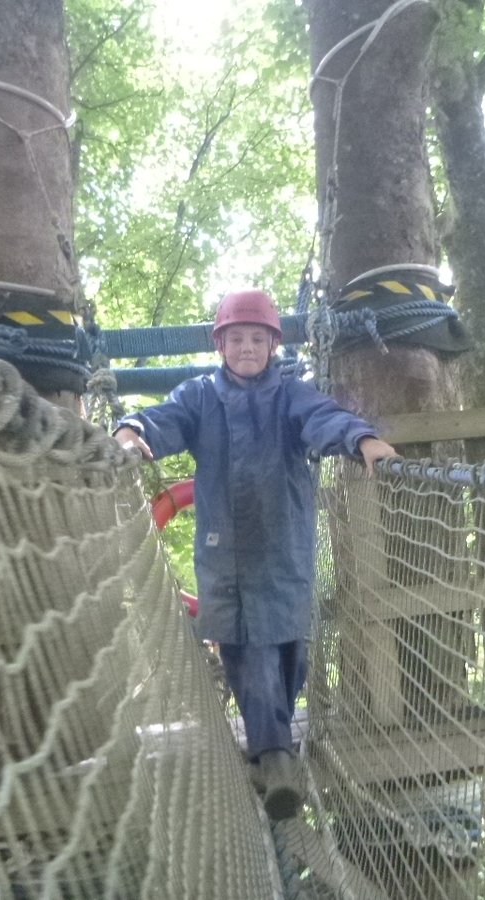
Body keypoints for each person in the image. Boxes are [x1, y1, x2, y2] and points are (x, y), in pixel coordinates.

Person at [113, 288, 396, 821]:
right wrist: (132, 430)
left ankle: (273, 744)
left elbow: (325, 418)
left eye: (257, 339)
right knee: (248, 652)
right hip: (225, 551)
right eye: (237, 338)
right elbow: (164, 419)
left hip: (282, 547)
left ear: (272, 346)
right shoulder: (200, 396)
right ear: (220, 345)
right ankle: (274, 756)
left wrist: (360, 439)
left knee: (289, 651)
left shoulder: (291, 395)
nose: (247, 348)